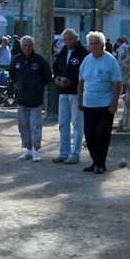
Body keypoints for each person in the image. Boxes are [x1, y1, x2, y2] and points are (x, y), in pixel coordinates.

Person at [78, 31, 122, 174]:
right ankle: (95, 162)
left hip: (105, 104)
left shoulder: (111, 61)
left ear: (103, 45)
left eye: (97, 43)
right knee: (90, 135)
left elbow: (117, 84)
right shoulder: (86, 61)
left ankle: (100, 163)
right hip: (88, 103)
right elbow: (81, 82)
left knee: (103, 134)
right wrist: (80, 100)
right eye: (91, 44)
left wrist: (114, 103)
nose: (94, 46)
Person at [10, 36, 52, 162]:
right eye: (25, 46)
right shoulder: (16, 60)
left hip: (35, 99)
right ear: (21, 46)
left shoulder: (39, 60)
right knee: (23, 125)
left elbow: (47, 76)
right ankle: (27, 149)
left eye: (29, 45)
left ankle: (36, 150)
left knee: (35, 125)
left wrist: (37, 86)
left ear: (33, 46)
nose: (27, 48)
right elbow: (13, 75)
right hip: (21, 98)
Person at [52, 29, 90, 164]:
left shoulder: (83, 53)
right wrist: (56, 78)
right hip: (63, 92)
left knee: (77, 123)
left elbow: (85, 72)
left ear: (76, 38)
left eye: (70, 39)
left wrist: (72, 81)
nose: (68, 42)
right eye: (65, 40)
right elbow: (55, 67)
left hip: (76, 92)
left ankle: (75, 154)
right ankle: (64, 152)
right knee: (63, 123)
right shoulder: (62, 51)